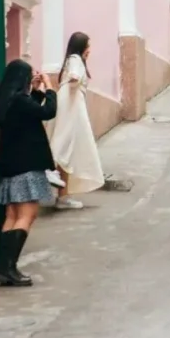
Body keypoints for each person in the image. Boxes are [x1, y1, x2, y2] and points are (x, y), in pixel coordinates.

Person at [0, 59, 57, 287]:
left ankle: (5, 269)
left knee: (12, 216)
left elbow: (30, 113)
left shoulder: (5, 103)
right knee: (26, 215)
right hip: (27, 165)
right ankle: (11, 269)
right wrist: (49, 89)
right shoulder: (20, 102)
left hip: (9, 166)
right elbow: (47, 112)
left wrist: (36, 92)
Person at [46, 32, 105, 210]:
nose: (89, 50)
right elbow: (74, 76)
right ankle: (52, 171)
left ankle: (63, 196)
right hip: (72, 105)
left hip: (70, 103)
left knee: (68, 148)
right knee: (66, 142)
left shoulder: (71, 60)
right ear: (81, 47)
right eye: (88, 46)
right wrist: (74, 78)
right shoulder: (75, 59)